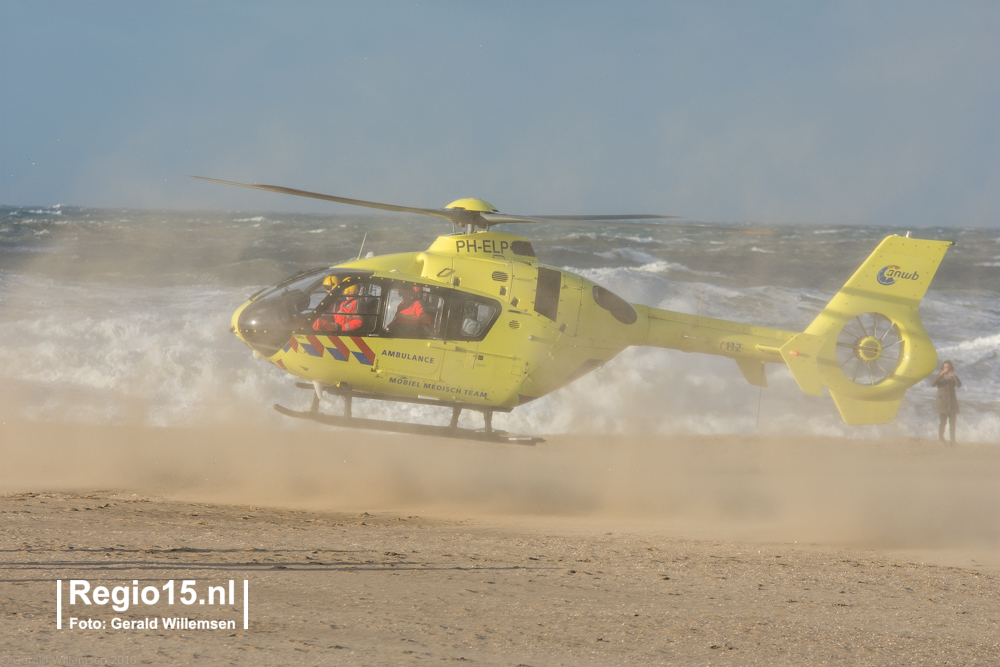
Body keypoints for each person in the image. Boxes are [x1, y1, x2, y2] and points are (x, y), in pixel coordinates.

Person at [930, 360, 962, 444]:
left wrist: (954, 376)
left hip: (952, 403)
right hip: (942, 403)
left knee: (952, 423)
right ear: (942, 368)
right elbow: (932, 384)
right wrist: (941, 374)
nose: (946, 369)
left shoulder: (953, 377)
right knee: (943, 422)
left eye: (948, 367)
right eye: (945, 367)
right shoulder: (939, 377)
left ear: (951, 368)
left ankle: (953, 441)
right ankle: (941, 439)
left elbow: (959, 385)